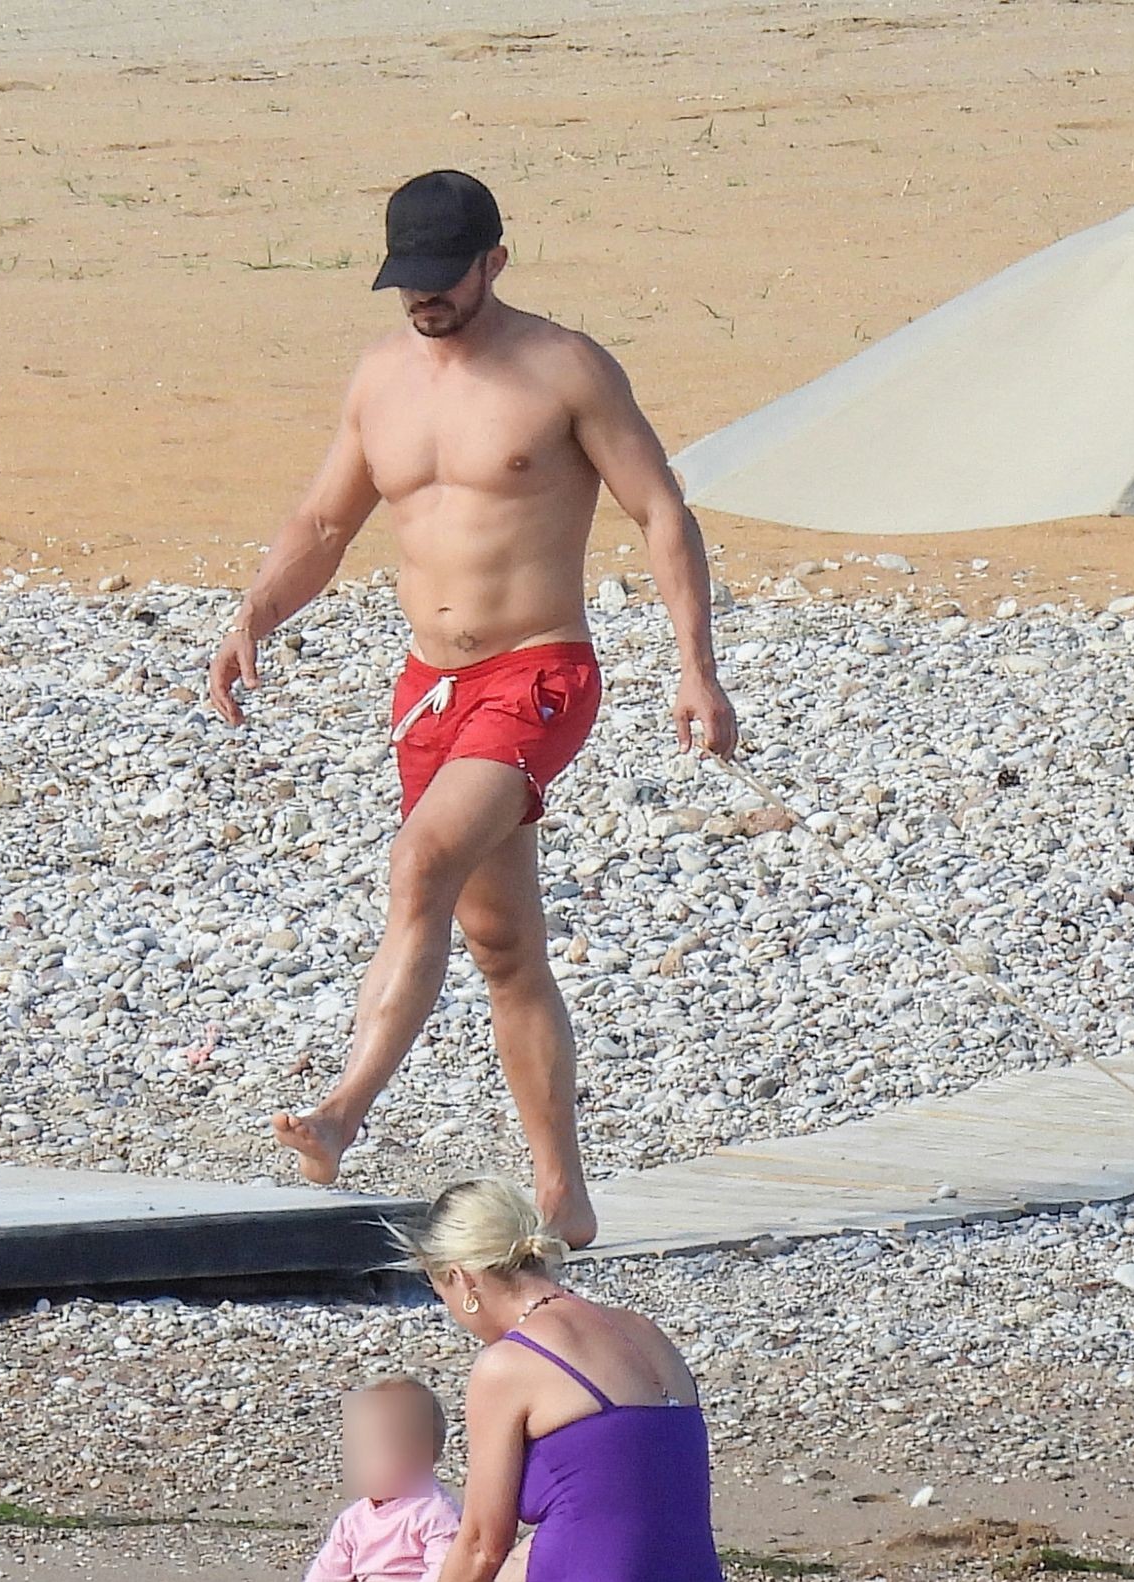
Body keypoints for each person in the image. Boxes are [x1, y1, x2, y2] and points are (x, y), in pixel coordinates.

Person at [208, 169, 737, 1249]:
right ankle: (563, 1193)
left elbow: (660, 512)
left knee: (419, 862)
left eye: (443, 279)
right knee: (500, 946)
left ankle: (339, 1115)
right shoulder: (379, 378)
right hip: (428, 692)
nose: (424, 299)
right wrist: (254, 613)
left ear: (494, 260)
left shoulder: (564, 368)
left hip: (538, 675)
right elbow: (324, 523)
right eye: (406, 280)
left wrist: (696, 669)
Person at [291, 1178, 734, 1582]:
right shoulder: (643, 1331)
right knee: (526, 1561)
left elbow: (482, 1545)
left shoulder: (509, 1363)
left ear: (461, 1279)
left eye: (441, 1293)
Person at [275, 1374, 461, 1582]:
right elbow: (324, 1576)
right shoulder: (354, 1519)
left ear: (420, 1455)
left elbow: (444, 1575)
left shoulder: (433, 1511)